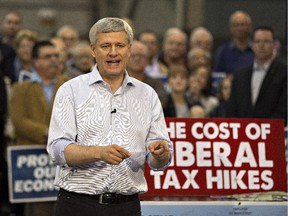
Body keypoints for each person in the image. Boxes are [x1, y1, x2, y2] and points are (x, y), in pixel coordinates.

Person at [47, 17, 172, 216]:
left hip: (127, 207)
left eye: (119, 45)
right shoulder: (70, 90)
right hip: (77, 205)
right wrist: (99, 153)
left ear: (129, 49)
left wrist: (161, 154)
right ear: (93, 50)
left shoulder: (148, 95)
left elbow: (158, 160)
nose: (113, 52)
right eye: (106, 46)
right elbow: (57, 150)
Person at [10, 40, 69, 216]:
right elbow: (19, 121)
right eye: (47, 56)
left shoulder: (70, 85)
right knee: (38, 210)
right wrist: (49, 133)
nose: (53, 60)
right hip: (33, 167)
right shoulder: (21, 89)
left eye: (56, 56)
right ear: (35, 61)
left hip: (64, 162)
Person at [227, 26, 287, 124]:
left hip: (272, 132)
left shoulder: (284, 72)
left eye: (266, 41)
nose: (261, 45)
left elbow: (284, 108)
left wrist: (263, 129)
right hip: (242, 133)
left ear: (274, 45)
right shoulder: (240, 74)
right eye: (257, 41)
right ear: (252, 45)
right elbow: (232, 108)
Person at [127, 40, 167, 108]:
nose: (137, 59)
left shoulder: (155, 83)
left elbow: (159, 105)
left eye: (141, 56)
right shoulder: (117, 81)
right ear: (126, 58)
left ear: (147, 60)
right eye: (133, 56)